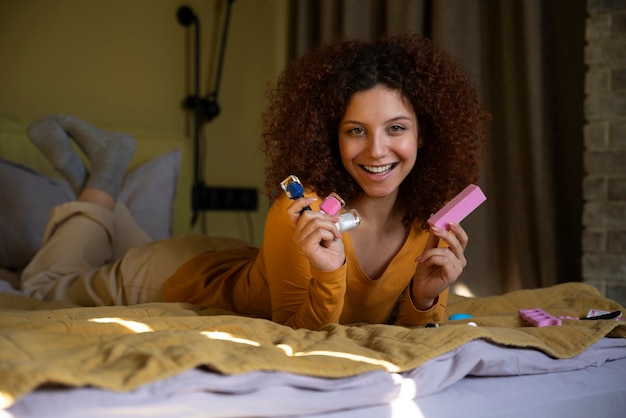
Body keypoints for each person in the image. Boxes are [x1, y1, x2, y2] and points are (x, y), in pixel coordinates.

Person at [21, 33, 490, 330]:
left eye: (396, 128)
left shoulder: (429, 225)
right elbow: (295, 330)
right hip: (173, 277)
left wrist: (425, 295)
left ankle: (101, 191)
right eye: (355, 131)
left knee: (101, 247)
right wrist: (329, 274)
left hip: (240, 262)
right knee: (42, 286)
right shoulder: (300, 216)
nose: (376, 151)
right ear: (332, 137)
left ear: (424, 133)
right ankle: (105, 172)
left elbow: (410, 325)